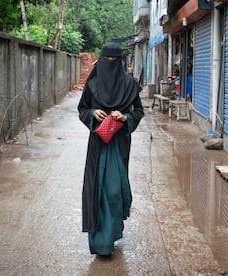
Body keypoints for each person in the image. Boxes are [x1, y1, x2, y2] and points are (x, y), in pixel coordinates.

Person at [78, 42, 144, 256]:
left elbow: (138, 111)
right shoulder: (93, 84)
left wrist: (125, 117)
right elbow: (82, 108)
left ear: (121, 61)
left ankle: (114, 232)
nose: (110, 64)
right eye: (107, 59)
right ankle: (101, 244)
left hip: (119, 145)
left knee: (115, 192)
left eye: (114, 60)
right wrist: (93, 113)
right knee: (97, 190)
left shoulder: (129, 84)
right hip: (98, 145)